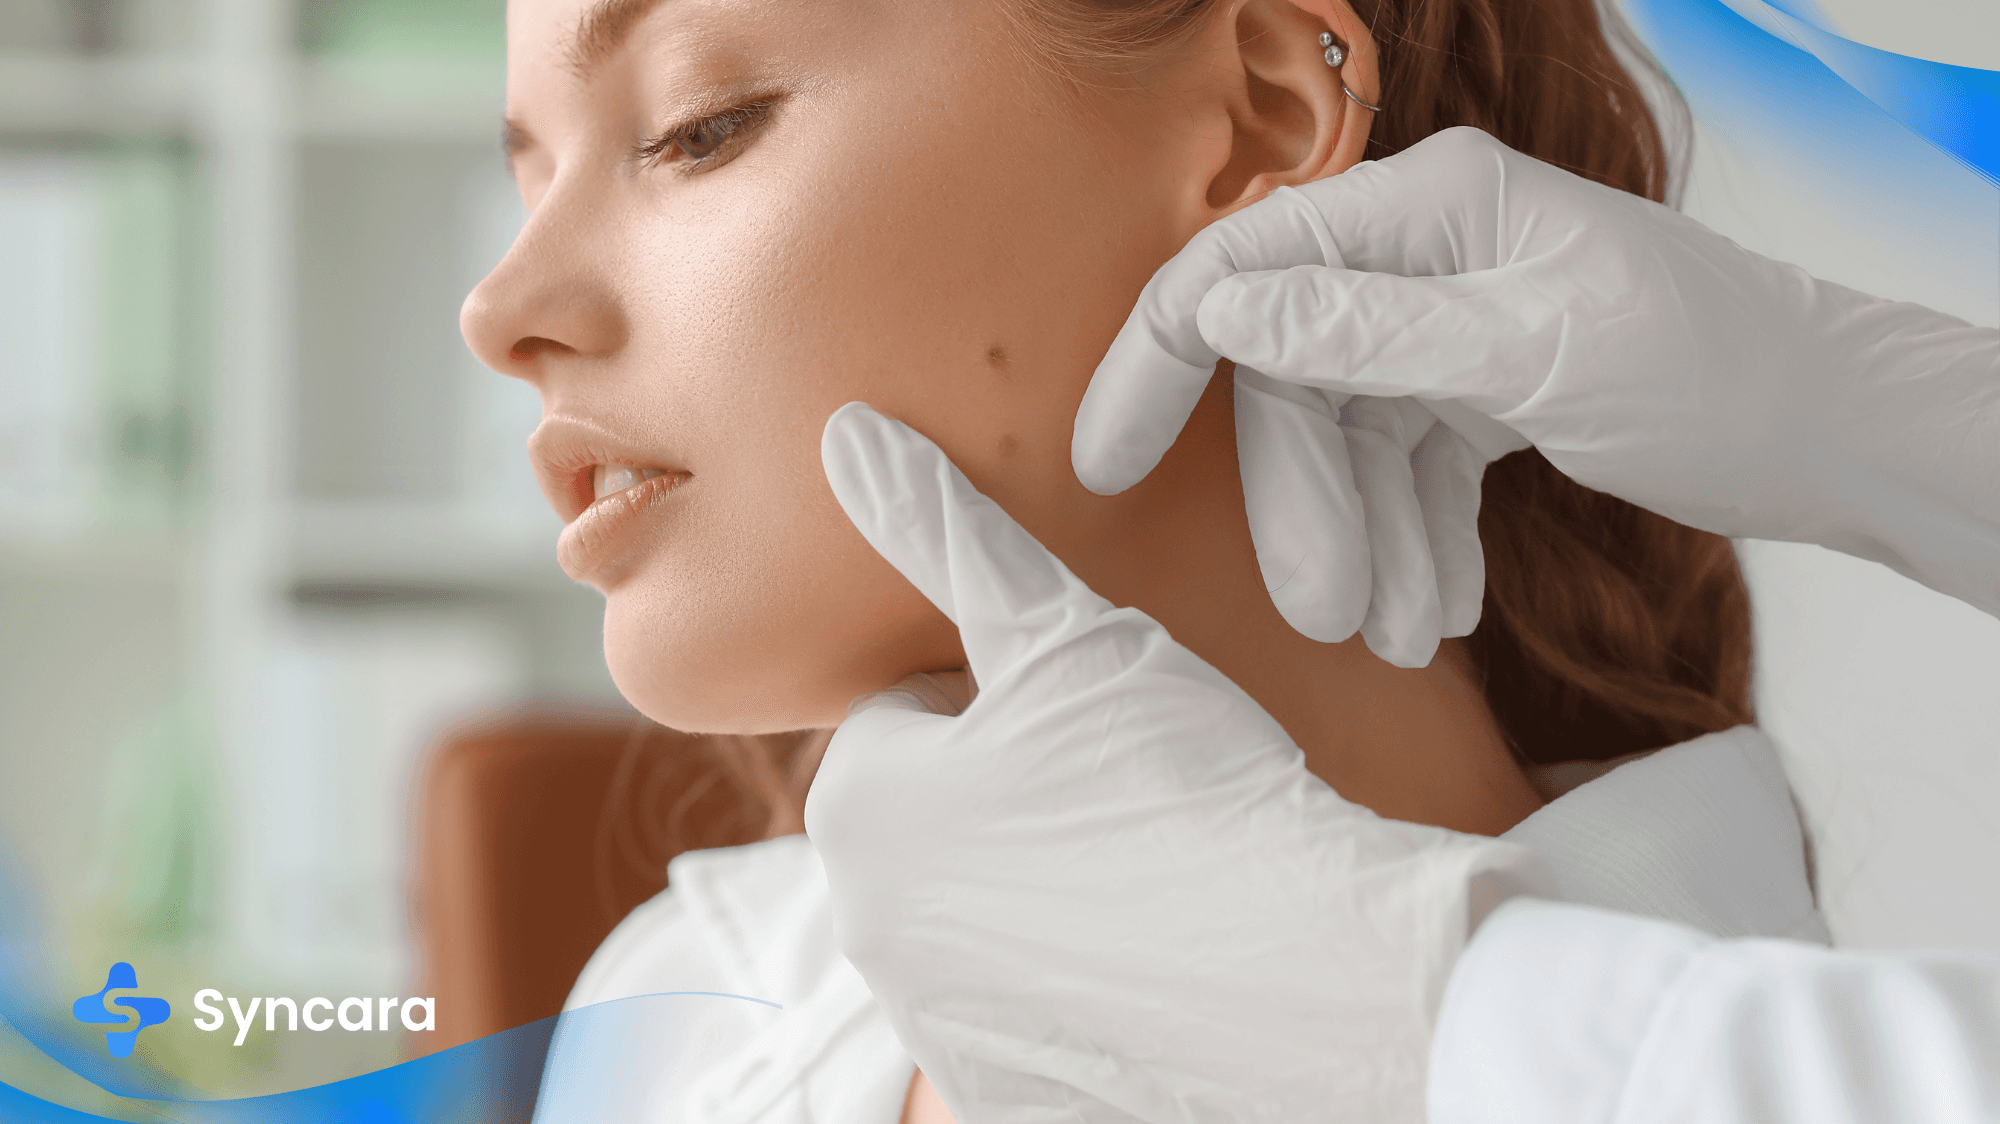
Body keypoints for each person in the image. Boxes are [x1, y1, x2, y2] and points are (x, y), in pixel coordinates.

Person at [450, 0, 1974, 1119]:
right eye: (529, 176)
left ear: (1257, 116)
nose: (501, 311)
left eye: (697, 128)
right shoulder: (682, 1018)